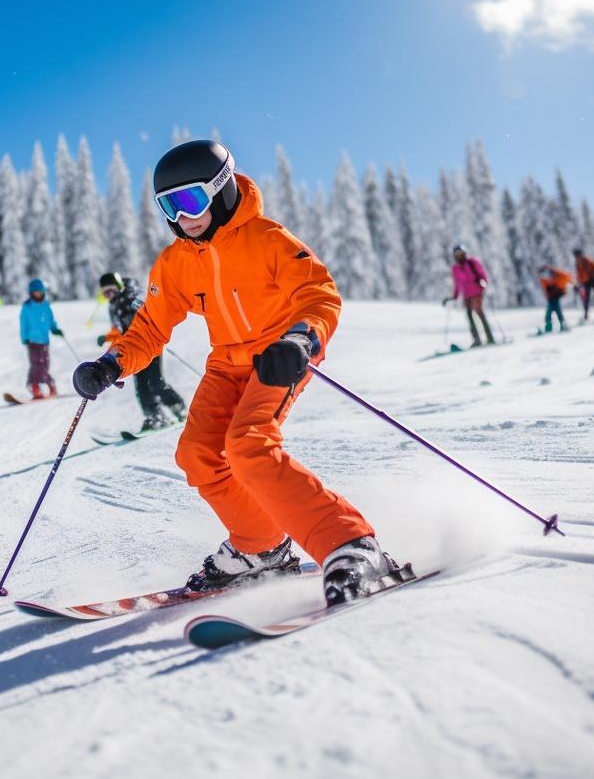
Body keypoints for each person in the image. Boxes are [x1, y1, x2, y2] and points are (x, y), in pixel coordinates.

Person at [72, 139, 396, 606]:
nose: (184, 217)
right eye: (170, 205)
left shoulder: (267, 238)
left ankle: (352, 546)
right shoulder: (177, 261)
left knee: (248, 444)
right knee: (198, 454)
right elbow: (149, 328)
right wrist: (111, 363)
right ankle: (260, 546)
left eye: (192, 199)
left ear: (221, 190)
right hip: (227, 362)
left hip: (278, 356)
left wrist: (301, 339)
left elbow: (318, 293)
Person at [97, 271, 187, 431]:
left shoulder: (132, 296)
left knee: (155, 381)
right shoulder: (114, 306)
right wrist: (107, 337)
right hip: (133, 351)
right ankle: (155, 416)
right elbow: (119, 330)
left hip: (149, 345)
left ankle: (178, 407)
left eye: (111, 290)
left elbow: (149, 314)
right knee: (141, 385)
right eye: (106, 293)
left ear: (119, 287)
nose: (109, 295)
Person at [442, 244, 495, 347]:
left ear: (464, 253)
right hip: (466, 295)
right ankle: (477, 339)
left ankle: (490, 338)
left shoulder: (472, 263)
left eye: (461, 253)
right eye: (457, 254)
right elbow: (457, 284)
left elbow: (482, 275)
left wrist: (484, 284)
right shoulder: (456, 268)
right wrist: (455, 296)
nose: (459, 256)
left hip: (477, 292)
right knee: (469, 316)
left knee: (479, 313)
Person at [20, 278, 64, 399]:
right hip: (32, 341)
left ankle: (47, 384)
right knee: (36, 364)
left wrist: (55, 329)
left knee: (44, 364)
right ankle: (35, 386)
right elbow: (23, 323)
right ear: (31, 293)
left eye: (39, 292)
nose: (38, 294)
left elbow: (50, 320)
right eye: (35, 292)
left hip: (44, 341)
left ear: (43, 292)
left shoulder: (46, 306)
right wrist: (24, 337)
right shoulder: (27, 307)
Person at [573, 248, 594, 321]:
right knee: (586, 297)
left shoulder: (587, 260)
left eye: (578, 255)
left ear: (580, 255)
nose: (577, 257)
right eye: (576, 256)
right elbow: (579, 275)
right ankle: (586, 315)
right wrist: (577, 284)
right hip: (586, 282)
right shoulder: (577, 264)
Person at [539, 265, 572, 333]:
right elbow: (545, 289)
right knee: (555, 310)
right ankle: (560, 324)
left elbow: (566, 277)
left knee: (551, 312)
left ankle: (550, 326)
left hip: (555, 295)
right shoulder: (544, 279)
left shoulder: (555, 275)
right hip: (552, 296)